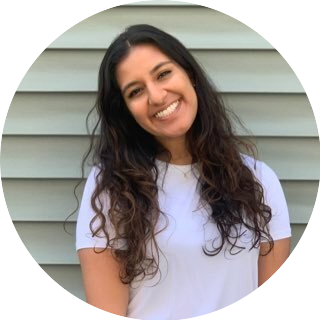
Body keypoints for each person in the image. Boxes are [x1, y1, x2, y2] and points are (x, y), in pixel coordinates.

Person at [75, 24, 291, 319]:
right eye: (135, 91)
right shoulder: (109, 189)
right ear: (125, 110)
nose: (156, 96)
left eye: (163, 74)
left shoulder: (259, 180)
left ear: (189, 74)